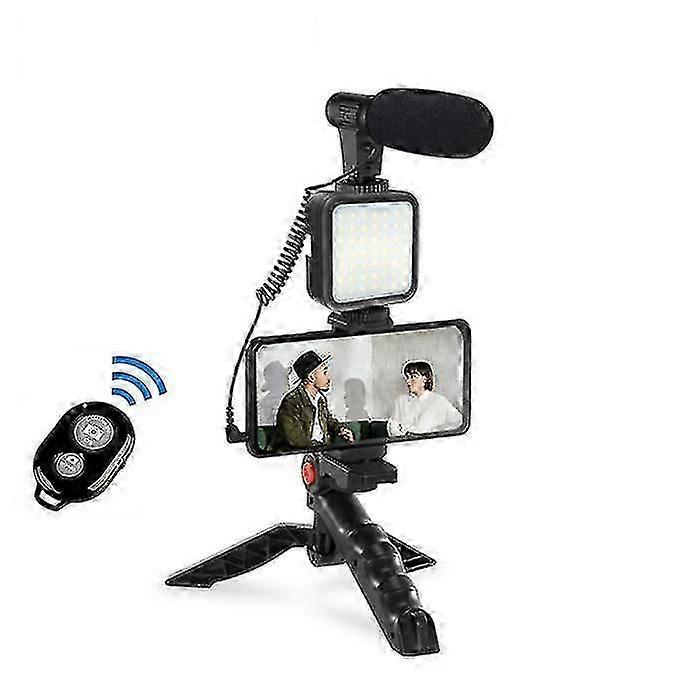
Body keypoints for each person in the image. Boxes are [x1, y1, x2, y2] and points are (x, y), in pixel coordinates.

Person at [271, 350, 355, 451]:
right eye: (324, 373)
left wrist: (341, 429)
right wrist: (322, 447)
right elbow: (295, 439)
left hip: (319, 451)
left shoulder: (320, 399)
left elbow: (328, 420)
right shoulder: (291, 402)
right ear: (311, 377)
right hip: (298, 454)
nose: (329, 378)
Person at [387, 360, 463, 436]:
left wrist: (435, 432)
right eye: (407, 377)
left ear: (425, 379)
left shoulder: (439, 401)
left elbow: (459, 423)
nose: (408, 381)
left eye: (413, 377)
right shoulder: (401, 402)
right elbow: (392, 427)